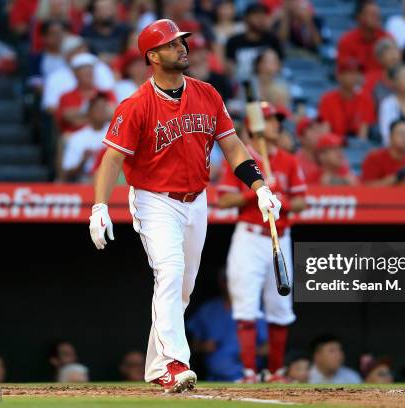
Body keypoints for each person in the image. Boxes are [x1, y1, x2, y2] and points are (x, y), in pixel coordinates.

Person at [89, 19, 283, 393]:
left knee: (182, 288)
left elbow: (232, 146)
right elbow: (111, 159)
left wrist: (259, 187)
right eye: (172, 44)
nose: (182, 48)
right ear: (153, 56)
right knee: (170, 271)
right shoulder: (136, 104)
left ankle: (156, 366)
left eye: (182, 41)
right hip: (154, 200)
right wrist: (99, 206)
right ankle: (175, 364)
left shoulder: (207, 93)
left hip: (196, 201)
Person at [217, 102, 306, 383]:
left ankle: (276, 372)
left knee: (280, 307)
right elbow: (223, 199)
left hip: (280, 238)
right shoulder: (239, 157)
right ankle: (249, 372)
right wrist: (256, 192)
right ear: (256, 126)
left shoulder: (289, 160)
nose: (276, 125)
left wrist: (282, 197)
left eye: (277, 121)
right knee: (246, 306)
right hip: (250, 238)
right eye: (270, 121)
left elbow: (302, 201)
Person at [187, 268, 268, 381]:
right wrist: (203, 346)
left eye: (234, 281)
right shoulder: (208, 309)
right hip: (213, 379)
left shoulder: (254, 309)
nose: (230, 284)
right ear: (221, 282)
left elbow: (269, 348)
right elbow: (191, 346)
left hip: (247, 378)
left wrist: (251, 351)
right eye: (226, 280)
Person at [42, 35, 115, 112]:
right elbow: (50, 107)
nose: (82, 53)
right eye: (77, 50)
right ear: (66, 55)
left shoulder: (101, 67)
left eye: (83, 49)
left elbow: (111, 101)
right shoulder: (55, 77)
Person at [56, 53, 116, 135]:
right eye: (84, 72)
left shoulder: (106, 93)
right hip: (75, 137)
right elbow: (68, 118)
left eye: (90, 71)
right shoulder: (66, 96)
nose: (88, 74)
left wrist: (81, 115)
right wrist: (98, 115)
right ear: (76, 74)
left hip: (104, 136)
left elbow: (114, 114)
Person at [318, 58, 375, 142]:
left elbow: (363, 134)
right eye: (350, 73)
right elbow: (325, 131)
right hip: (333, 144)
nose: (354, 77)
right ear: (339, 76)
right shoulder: (327, 99)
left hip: (356, 147)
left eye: (357, 73)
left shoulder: (365, 99)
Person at [225, 3, 284, 82]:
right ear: (246, 18)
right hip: (243, 84)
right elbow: (229, 69)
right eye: (256, 15)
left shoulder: (272, 40)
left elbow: (279, 65)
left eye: (262, 15)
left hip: (269, 83)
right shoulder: (234, 41)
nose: (260, 19)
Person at [61, 94, 112, 182]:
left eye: (104, 108)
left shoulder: (117, 133)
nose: (102, 112)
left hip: (115, 181)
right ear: (89, 111)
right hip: (86, 182)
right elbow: (67, 173)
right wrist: (83, 161)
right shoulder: (77, 137)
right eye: (98, 108)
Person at [362, 119, 405, 186]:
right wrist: (396, 178)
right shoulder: (374, 158)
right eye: (401, 134)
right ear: (390, 137)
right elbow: (367, 187)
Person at [336, 0, 391, 74]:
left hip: (382, 84)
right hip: (357, 84)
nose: (377, 18)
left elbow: (394, 69)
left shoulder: (387, 39)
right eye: (373, 15)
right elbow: (343, 72)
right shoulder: (347, 41)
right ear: (360, 17)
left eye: (378, 14)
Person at [81, 0, 131, 64]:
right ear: (93, 12)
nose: (107, 12)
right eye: (102, 9)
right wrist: (97, 58)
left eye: (109, 8)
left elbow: (132, 53)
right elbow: (85, 56)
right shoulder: (86, 33)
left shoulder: (125, 30)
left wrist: (118, 58)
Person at [27, 20, 68, 93]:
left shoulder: (71, 56)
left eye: (60, 33)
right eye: (53, 34)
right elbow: (36, 83)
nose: (58, 37)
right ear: (44, 37)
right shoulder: (36, 58)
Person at [363, 39, 402, 107]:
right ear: (379, 58)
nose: (394, 56)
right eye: (389, 53)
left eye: (396, 52)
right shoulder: (370, 79)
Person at [294, 116, 330, 185]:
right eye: (313, 129)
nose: (319, 133)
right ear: (301, 137)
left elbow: (352, 180)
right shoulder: (296, 163)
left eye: (319, 128)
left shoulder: (332, 156)